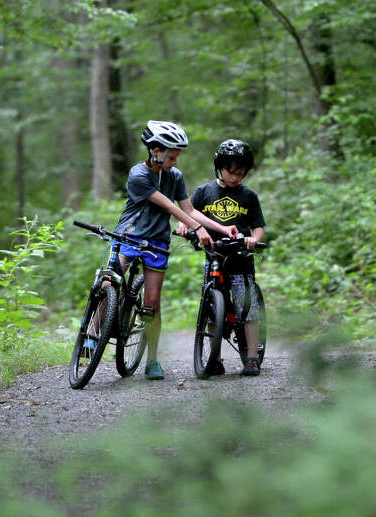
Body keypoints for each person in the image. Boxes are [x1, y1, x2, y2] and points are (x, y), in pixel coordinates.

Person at [97, 120, 237, 380]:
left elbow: (189, 210)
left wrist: (221, 227)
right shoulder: (137, 175)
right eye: (172, 156)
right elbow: (169, 207)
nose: (175, 161)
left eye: (177, 157)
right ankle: (93, 337)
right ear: (155, 151)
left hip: (157, 243)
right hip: (129, 235)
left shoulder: (175, 176)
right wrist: (196, 229)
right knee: (108, 282)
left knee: (152, 303)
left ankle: (152, 360)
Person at [186, 138, 267, 376]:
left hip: (241, 258)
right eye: (230, 171)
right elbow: (187, 213)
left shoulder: (249, 196)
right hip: (214, 257)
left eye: (240, 173)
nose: (234, 177)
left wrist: (253, 238)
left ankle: (251, 358)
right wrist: (184, 225)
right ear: (219, 166)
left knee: (247, 308)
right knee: (212, 309)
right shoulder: (204, 192)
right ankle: (215, 359)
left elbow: (259, 225)